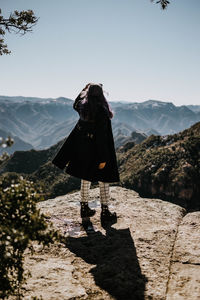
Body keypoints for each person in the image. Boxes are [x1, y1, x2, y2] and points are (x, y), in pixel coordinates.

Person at [52, 83, 120, 224]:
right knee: (104, 179)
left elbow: (75, 102)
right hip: (98, 151)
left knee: (86, 176)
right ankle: (105, 212)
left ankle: (84, 208)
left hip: (84, 150)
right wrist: (103, 158)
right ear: (101, 95)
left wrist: (84, 88)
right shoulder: (102, 111)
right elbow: (102, 137)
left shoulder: (83, 108)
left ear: (88, 94)